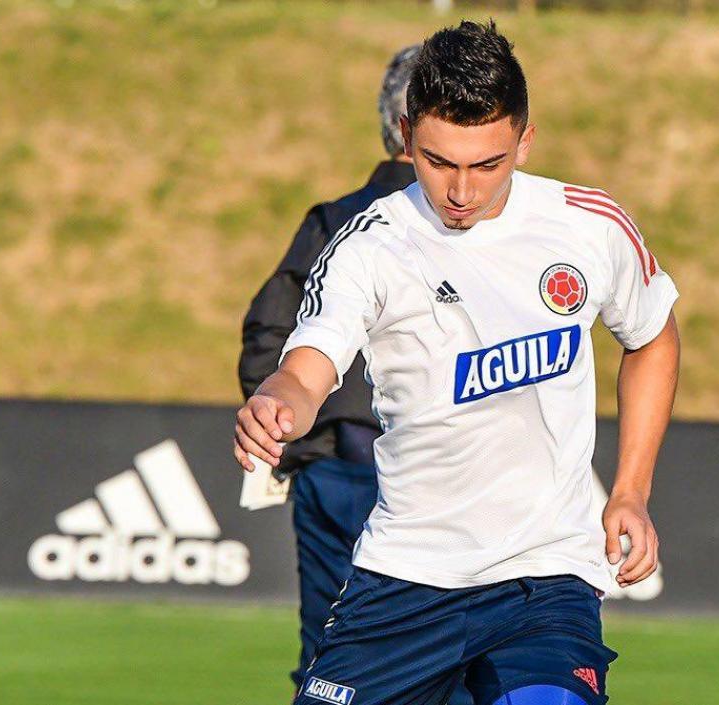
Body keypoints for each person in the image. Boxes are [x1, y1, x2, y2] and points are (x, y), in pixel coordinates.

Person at [234, 21, 680, 705]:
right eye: (440, 162)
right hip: (403, 580)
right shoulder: (370, 244)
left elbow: (651, 335)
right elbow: (309, 360)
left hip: (544, 579)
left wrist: (630, 490)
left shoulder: (590, 226)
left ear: (524, 140)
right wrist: (281, 401)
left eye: (487, 164)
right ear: (406, 136)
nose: (463, 191)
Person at [239, 46, 482, 704]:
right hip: (422, 471)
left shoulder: (334, 219)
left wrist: (301, 443)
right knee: (451, 659)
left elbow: (267, 334)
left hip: (341, 466)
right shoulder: (469, 225)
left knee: (329, 657)